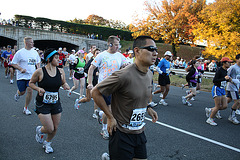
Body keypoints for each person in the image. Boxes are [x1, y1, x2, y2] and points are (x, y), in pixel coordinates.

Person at [92, 35, 158, 160]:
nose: (155, 53)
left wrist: (148, 107)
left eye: (156, 50)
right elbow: (96, 92)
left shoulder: (149, 73)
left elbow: (142, 93)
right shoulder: (123, 75)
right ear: (137, 51)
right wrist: (110, 117)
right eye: (150, 49)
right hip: (122, 134)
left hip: (139, 131)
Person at [29, 48, 70, 154]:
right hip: (42, 104)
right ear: (49, 59)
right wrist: (38, 89)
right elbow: (31, 83)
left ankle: (47, 143)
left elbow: (63, 83)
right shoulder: (40, 72)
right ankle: (40, 130)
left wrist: (65, 85)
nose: (59, 60)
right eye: (56, 58)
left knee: (55, 127)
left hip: (55, 102)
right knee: (49, 128)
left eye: (59, 58)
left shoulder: (61, 71)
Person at [87, 35, 128, 139]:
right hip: (104, 87)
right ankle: (104, 129)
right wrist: (90, 83)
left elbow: (127, 65)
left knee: (113, 111)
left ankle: (101, 114)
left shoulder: (120, 56)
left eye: (119, 45)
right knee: (109, 110)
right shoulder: (102, 55)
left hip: (116, 87)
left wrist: (126, 66)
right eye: (116, 45)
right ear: (110, 44)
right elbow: (91, 69)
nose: (118, 47)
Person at [11, 37, 41, 115]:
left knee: (30, 90)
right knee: (22, 92)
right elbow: (13, 63)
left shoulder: (34, 52)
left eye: (33, 42)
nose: (33, 44)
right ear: (26, 43)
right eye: (31, 42)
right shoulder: (20, 52)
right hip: (22, 76)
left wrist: (38, 69)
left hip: (31, 76)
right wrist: (20, 69)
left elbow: (38, 62)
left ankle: (26, 108)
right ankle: (18, 93)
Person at [205, 57, 233, 126]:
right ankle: (210, 119)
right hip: (217, 88)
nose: (230, 64)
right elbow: (214, 80)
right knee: (217, 106)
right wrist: (224, 78)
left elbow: (224, 80)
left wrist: (228, 80)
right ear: (224, 63)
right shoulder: (219, 70)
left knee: (225, 106)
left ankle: (211, 110)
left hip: (222, 89)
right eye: (228, 62)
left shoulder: (226, 70)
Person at [74, 48, 100, 117]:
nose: (98, 54)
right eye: (97, 53)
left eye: (99, 53)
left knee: (96, 98)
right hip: (90, 81)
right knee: (88, 99)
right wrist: (95, 73)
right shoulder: (92, 61)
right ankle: (78, 101)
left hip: (97, 81)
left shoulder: (101, 61)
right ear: (94, 54)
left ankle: (95, 113)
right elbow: (86, 69)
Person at [226, 54, 240, 124]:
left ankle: (214, 109)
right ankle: (232, 116)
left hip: (236, 87)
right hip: (232, 87)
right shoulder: (233, 67)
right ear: (237, 59)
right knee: (237, 101)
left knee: (228, 100)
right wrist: (233, 81)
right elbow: (226, 76)